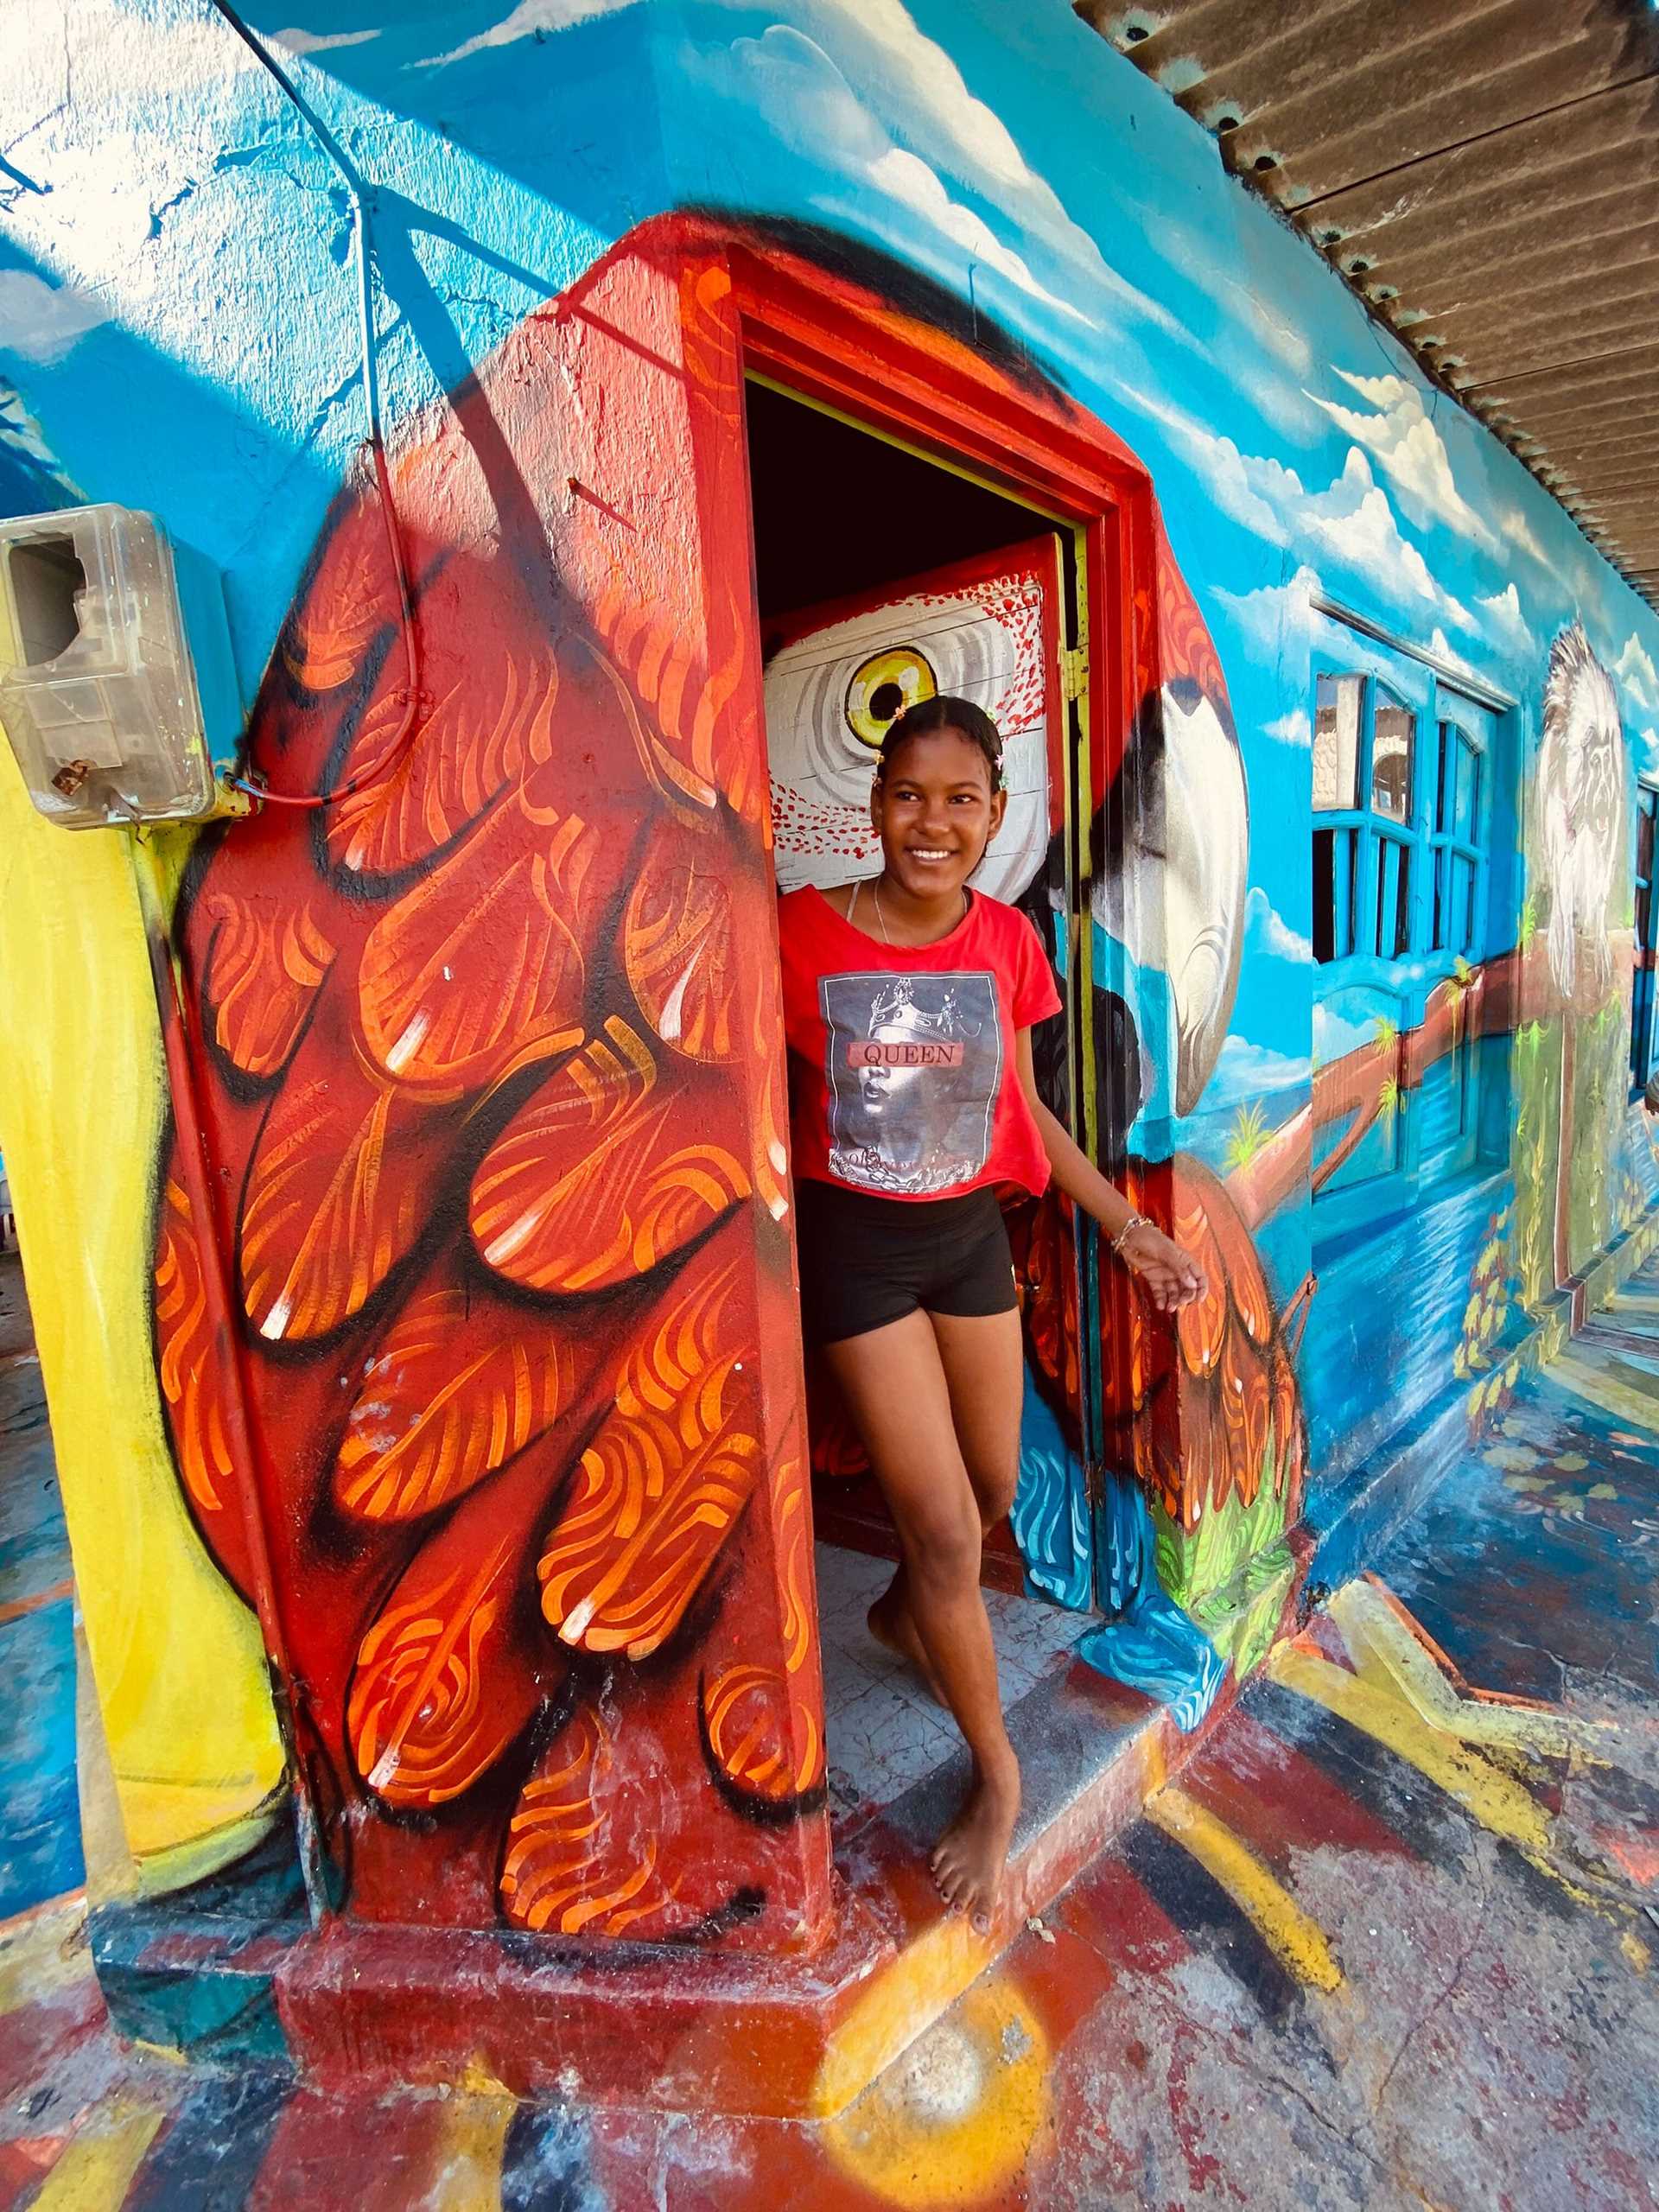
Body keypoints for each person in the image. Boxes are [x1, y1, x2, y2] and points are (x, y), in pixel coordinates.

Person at [776, 693, 1207, 1932]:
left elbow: (1029, 1115)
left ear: (994, 816)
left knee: (998, 1489)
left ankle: (901, 1615)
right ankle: (998, 1774)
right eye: (909, 795)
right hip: (858, 1261)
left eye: (961, 800)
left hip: (968, 1247)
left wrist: (1128, 1230)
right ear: (874, 808)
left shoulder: (1008, 945)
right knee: (947, 1529)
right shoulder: (800, 933)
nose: (933, 822)